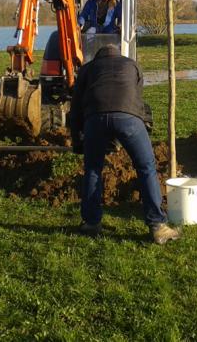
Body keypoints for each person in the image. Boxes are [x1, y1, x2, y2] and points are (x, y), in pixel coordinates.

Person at [70, 44, 180, 245]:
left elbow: (75, 107)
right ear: (118, 54)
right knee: (146, 167)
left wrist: (77, 141)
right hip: (129, 118)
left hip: (94, 119)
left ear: (98, 57)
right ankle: (158, 226)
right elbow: (137, 99)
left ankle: (91, 223)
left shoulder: (87, 69)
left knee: (93, 169)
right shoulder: (132, 65)